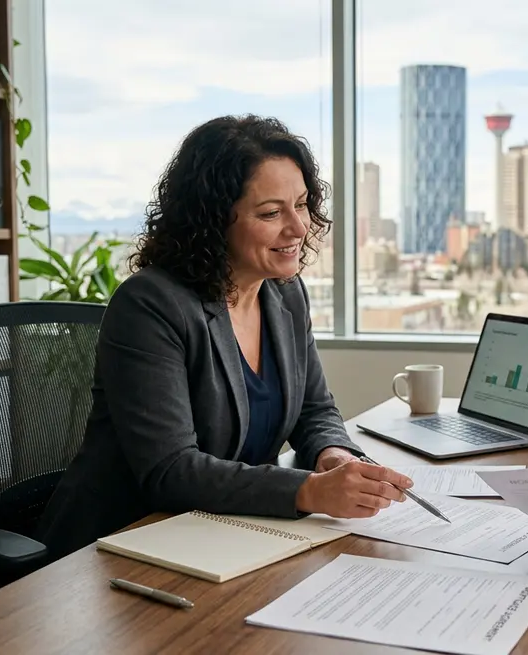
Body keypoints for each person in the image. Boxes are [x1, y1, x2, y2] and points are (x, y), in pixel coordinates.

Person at [36, 115, 412, 559]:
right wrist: (309, 491)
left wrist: (334, 454)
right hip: (123, 546)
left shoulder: (285, 295)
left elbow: (314, 410)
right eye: (271, 212)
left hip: (225, 535)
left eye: (302, 204)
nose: (298, 227)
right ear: (212, 221)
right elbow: (171, 470)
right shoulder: (150, 305)